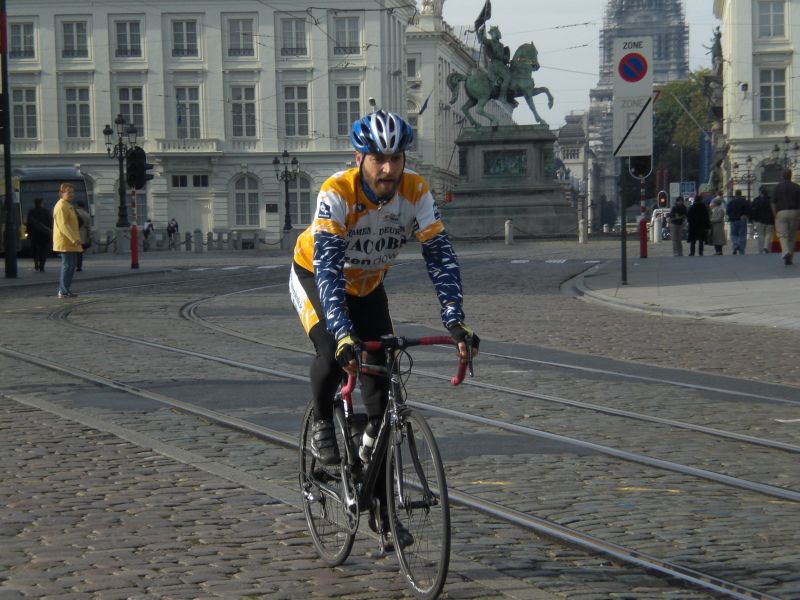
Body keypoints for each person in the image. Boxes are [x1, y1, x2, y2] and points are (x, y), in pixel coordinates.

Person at [289, 109, 479, 548]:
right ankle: (322, 421)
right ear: (361, 157)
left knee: (382, 407)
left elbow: (440, 255)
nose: (388, 168)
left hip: (369, 287)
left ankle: (378, 508)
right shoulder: (336, 192)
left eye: (396, 157)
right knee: (331, 356)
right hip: (316, 277)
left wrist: (454, 319)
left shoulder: (415, 190)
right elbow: (330, 269)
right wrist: (341, 335)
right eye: (378, 158)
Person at [52, 183, 83, 298]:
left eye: (72, 192)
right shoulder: (61, 206)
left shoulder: (67, 205)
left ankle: (65, 289)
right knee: (67, 265)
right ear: (61, 193)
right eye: (68, 192)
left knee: (71, 266)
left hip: (71, 241)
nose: (71, 194)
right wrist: (74, 239)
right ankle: (63, 290)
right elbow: (63, 225)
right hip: (65, 241)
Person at [770, 169, 800, 265]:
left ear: (782, 176)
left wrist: (775, 214)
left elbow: (773, 202)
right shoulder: (797, 187)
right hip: (795, 212)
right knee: (792, 236)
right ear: (791, 176)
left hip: (781, 212)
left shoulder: (777, 187)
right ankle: (790, 258)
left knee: (783, 235)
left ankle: (786, 252)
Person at [478, 26, 513, 103]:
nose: (500, 34)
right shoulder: (490, 42)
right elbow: (483, 40)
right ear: (494, 33)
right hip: (495, 65)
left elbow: (502, 56)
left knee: (512, 74)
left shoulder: (501, 45)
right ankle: (502, 96)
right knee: (507, 78)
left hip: (501, 64)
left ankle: (510, 95)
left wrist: (506, 58)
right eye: (498, 32)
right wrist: (480, 32)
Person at [26, 198, 52, 272]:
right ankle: (42, 266)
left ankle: (36, 264)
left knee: (35, 250)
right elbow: (50, 223)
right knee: (44, 250)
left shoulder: (31, 211)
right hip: (45, 234)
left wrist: (28, 233)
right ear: (41, 203)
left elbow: (29, 224)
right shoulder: (46, 211)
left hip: (34, 234)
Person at [750, 186, 775, 254]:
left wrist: (753, 219)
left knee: (761, 235)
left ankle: (761, 249)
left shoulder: (757, 201)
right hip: (770, 221)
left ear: (761, 193)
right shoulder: (771, 201)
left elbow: (754, 211)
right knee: (768, 234)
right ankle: (766, 248)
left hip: (759, 221)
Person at [726, 189, 750, 254]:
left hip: (733, 220)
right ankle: (741, 250)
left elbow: (727, 211)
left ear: (735, 195)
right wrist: (745, 215)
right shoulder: (744, 201)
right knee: (742, 235)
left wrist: (731, 216)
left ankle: (735, 245)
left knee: (733, 234)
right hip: (742, 219)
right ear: (740, 194)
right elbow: (748, 209)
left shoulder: (731, 202)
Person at [74, 200, 91, 272]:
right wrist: (89, 237)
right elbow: (88, 227)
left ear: (77, 205)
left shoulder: (73, 212)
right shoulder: (87, 214)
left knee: (73, 251)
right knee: (80, 252)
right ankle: (79, 266)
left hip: (73, 234)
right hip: (83, 235)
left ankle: (73, 265)